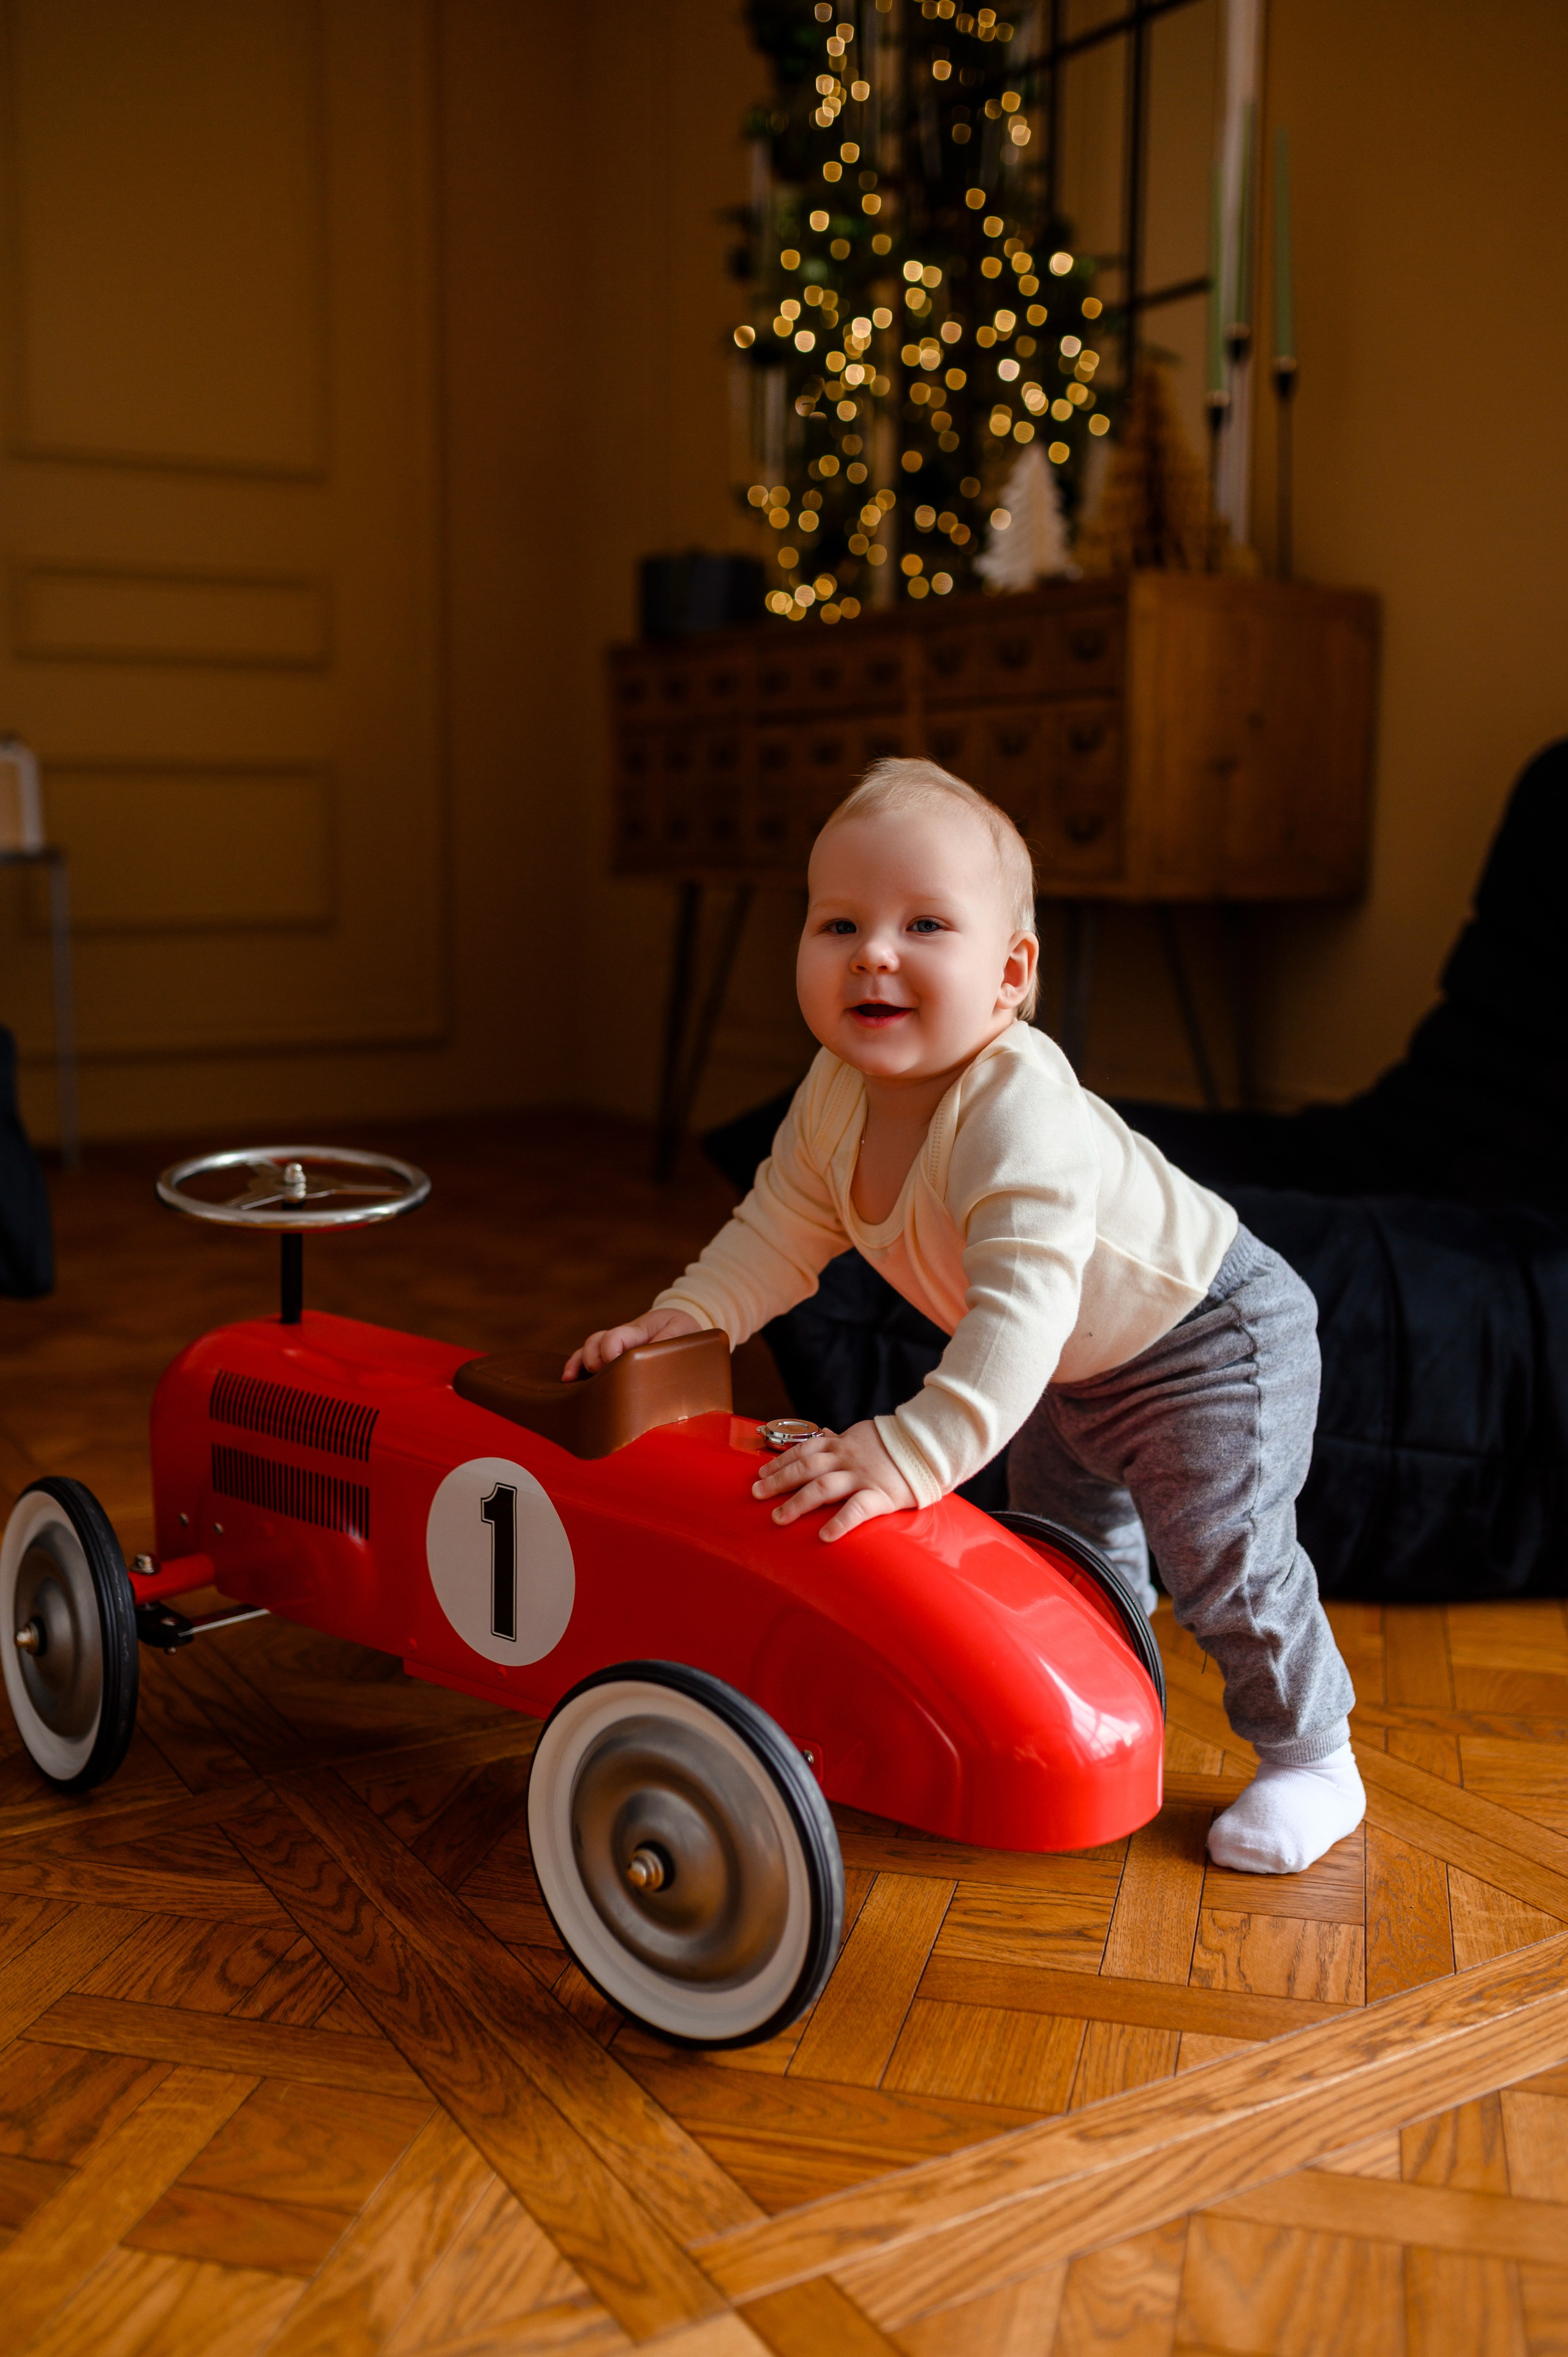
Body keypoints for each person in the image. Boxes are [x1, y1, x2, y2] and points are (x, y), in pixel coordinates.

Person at [567, 759, 1363, 1874]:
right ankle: (1107, 1717)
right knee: (1068, 1561)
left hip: (1205, 1345)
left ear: (1010, 974)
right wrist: (682, 1324)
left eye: (925, 923)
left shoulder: (1014, 1106)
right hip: (1060, 1371)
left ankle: (1312, 1756)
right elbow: (775, 1237)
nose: (873, 952)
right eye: (838, 921)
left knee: (1220, 1557)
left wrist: (905, 1451)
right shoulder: (833, 1095)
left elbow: (1022, 1314)